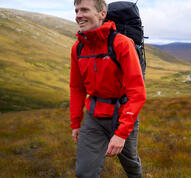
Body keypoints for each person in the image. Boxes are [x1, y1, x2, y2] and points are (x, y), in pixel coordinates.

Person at [69, 0, 146, 177]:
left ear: (102, 14)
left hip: (122, 114)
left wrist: (121, 133)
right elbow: (76, 87)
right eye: (77, 10)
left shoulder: (122, 44)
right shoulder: (78, 48)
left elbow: (137, 92)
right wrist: (75, 122)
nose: (78, 15)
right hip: (94, 117)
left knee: (131, 165)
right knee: (84, 173)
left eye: (84, 10)